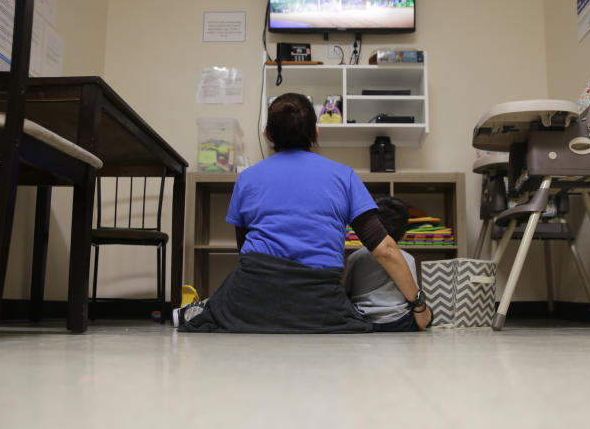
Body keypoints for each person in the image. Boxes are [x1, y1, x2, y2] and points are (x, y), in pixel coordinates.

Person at [174, 92, 431, 333]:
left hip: (251, 297)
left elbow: (244, 250)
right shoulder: (344, 176)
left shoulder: (247, 178)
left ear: (268, 135)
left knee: (210, 312)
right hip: (318, 303)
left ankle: (198, 309)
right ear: (315, 132)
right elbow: (385, 249)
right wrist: (419, 305)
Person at [343, 197, 426, 331]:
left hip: (363, 320)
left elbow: (347, 291)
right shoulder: (407, 258)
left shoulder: (355, 257)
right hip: (399, 321)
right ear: (404, 234)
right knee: (428, 314)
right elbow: (414, 297)